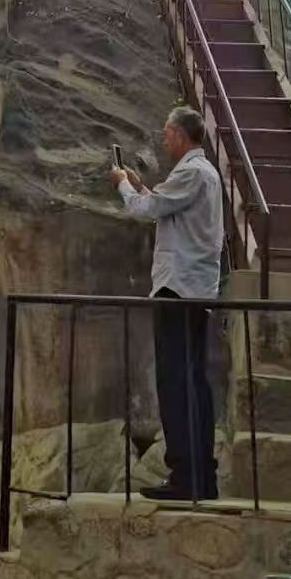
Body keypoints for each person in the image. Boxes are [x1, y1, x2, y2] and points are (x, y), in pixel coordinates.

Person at [110, 105, 224, 501]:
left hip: (178, 289)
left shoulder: (191, 172)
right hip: (194, 289)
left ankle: (187, 477)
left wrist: (124, 185)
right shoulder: (202, 174)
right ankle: (200, 476)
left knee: (177, 383)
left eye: (167, 132)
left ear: (181, 134)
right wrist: (145, 188)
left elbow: (148, 211)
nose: (163, 138)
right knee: (192, 383)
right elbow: (166, 209)